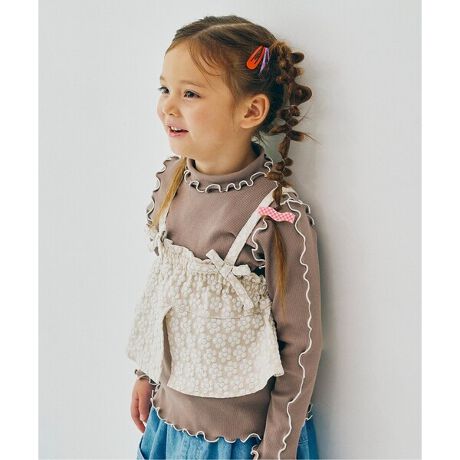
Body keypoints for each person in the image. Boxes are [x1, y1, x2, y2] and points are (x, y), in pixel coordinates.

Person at [126, 14, 323, 460]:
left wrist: (277, 449)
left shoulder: (275, 216)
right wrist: (147, 374)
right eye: (164, 89)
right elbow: (168, 295)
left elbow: (301, 347)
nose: (168, 107)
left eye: (190, 94)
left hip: (240, 444)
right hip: (167, 422)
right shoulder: (172, 182)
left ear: (251, 111)